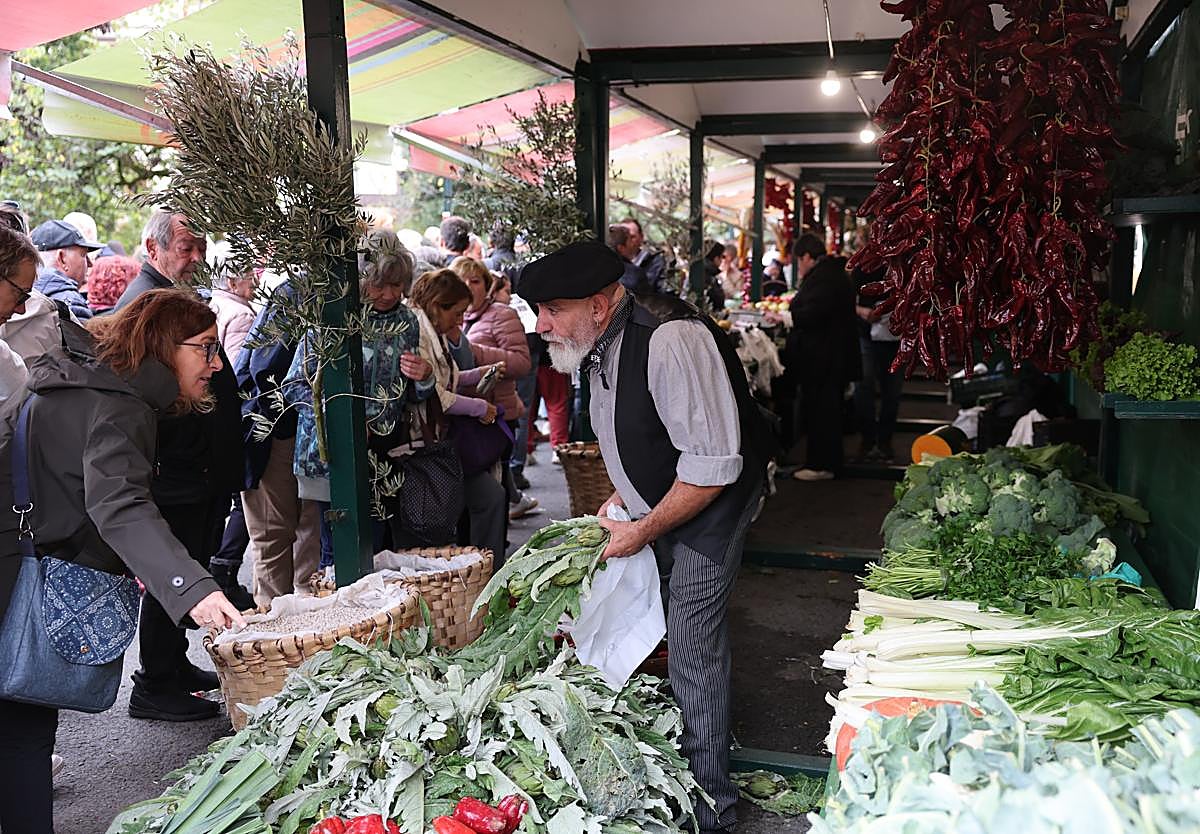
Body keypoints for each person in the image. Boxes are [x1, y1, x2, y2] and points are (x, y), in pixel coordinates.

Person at [521, 239, 769, 834]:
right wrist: (622, 497)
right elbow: (627, 433)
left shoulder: (670, 339)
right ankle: (673, 772)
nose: (542, 324)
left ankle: (713, 807)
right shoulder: (595, 346)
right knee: (654, 622)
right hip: (670, 494)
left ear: (600, 306)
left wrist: (642, 528)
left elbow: (713, 467)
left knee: (691, 642)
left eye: (553, 309)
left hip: (716, 500)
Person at [0, 285, 246, 834]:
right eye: (204, 348)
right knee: (22, 737)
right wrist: (196, 591)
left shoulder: (83, 377)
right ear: (163, 346)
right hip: (27, 570)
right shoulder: (118, 403)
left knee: (17, 731)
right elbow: (121, 504)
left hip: (18, 558)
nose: (216, 363)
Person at [112, 209, 246, 720]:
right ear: (153, 249)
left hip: (196, 471)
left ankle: (170, 666)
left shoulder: (171, 297)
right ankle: (155, 682)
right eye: (186, 247)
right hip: (177, 473)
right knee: (175, 572)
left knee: (187, 561)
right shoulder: (148, 306)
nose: (195, 258)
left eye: (200, 247)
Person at [407, 269, 508, 560]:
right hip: (424, 450)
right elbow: (434, 394)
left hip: (439, 446)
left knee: (491, 496)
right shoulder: (419, 333)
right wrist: (480, 408)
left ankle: (485, 570)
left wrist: (480, 374)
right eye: (458, 313)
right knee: (485, 498)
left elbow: (445, 379)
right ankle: (479, 572)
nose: (461, 320)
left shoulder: (434, 332)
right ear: (439, 306)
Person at [237, 280, 322, 607]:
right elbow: (264, 369)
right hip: (276, 431)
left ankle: (306, 618)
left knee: (307, 529)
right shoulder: (296, 294)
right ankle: (274, 620)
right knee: (274, 533)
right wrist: (291, 420)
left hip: (300, 432)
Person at [453, 256, 538, 520]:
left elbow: (522, 363)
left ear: (486, 285)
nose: (468, 286)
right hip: (465, 416)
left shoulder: (503, 315)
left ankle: (495, 548)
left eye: (475, 281)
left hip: (498, 417)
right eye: (461, 281)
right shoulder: (452, 318)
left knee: (494, 489)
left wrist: (474, 351)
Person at [207, 261, 261, 611]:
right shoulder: (241, 315)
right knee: (244, 498)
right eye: (250, 277)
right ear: (232, 280)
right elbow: (243, 372)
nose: (256, 283)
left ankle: (221, 565)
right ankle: (225, 568)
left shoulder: (216, 305)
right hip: (238, 418)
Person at [786, 234, 861, 481]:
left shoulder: (825, 278)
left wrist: (790, 317)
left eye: (799, 260)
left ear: (807, 256)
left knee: (823, 410)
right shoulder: (833, 274)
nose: (800, 266)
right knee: (824, 409)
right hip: (829, 356)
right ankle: (823, 462)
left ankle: (822, 464)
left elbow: (813, 313)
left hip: (824, 358)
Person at [853, 263, 903, 463]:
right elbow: (848, 299)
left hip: (895, 339)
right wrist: (865, 312)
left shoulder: (905, 264)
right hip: (867, 334)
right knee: (863, 388)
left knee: (892, 393)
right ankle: (868, 440)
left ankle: (884, 442)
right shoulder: (862, 268)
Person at [30, 219, 98, 321]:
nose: (90, 263)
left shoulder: (19, 293)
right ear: (62, 258)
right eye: (84, 255)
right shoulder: (71, 303)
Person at [619, 217, 669, 295]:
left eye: (632, 237)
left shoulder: (655, 261)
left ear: (641, 237)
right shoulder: (614, 261)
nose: (627, 241)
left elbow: (663, 293)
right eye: (623, 238)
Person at [607, 223, 650, 293]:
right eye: (630, 240)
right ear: (621, 248)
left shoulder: (594, 268)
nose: (633, 244)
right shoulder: (637, 275)